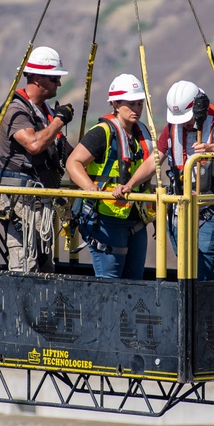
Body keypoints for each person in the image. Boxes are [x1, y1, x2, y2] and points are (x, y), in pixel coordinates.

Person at [120, 80, 214, 280]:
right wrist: (130, 184)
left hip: (208, 213)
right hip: (179, 213)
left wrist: (212, 148)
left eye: (187, 117)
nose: (183, 123)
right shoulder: (171, 129)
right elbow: (154, 161)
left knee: (200, 276)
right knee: (185, 274)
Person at [0, 46, 74, 273]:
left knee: (45, 267)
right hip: (21, 205)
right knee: (25, 266)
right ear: (36, 78)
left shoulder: (43, 112)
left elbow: (68, 152)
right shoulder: (15, 110)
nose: (58, 83)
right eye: (54, 78)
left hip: (40, 203)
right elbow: (34, 144)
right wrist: (59, 121)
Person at [65, 74, 156, 279]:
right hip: (106, 219)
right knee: (110, 283)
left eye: (140, 104)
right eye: (131, 104)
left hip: (136, 217)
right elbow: (73, 162)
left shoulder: (143, 133)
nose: (136, 109)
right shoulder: (102, 132)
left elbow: (149, 167)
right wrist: (89, 187)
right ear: (115, 104)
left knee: (136, 283)